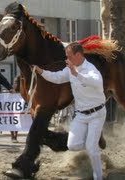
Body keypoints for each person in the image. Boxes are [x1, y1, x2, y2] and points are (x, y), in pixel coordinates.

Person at [33, 42, 106, 180]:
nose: (67, 59)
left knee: (91, 148)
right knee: (72, 145)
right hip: (81, 115)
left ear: (78, 55)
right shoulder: (70, 69)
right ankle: (92, 141)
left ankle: (99, 177)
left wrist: (76, 74)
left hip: (97, 114)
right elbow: (57, 77)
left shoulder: (91, 69)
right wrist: (41, 71)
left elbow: (96, 82)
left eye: (69, 56)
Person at [10, 75, 20, 143]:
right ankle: (12, 136)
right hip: (11, 106)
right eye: (15, 82)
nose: (15, 83)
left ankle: (15, 135)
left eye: (17, 82)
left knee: (17, 121)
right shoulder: (11, 89)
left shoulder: (23, 89)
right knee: (12, 121)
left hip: (18, 107)